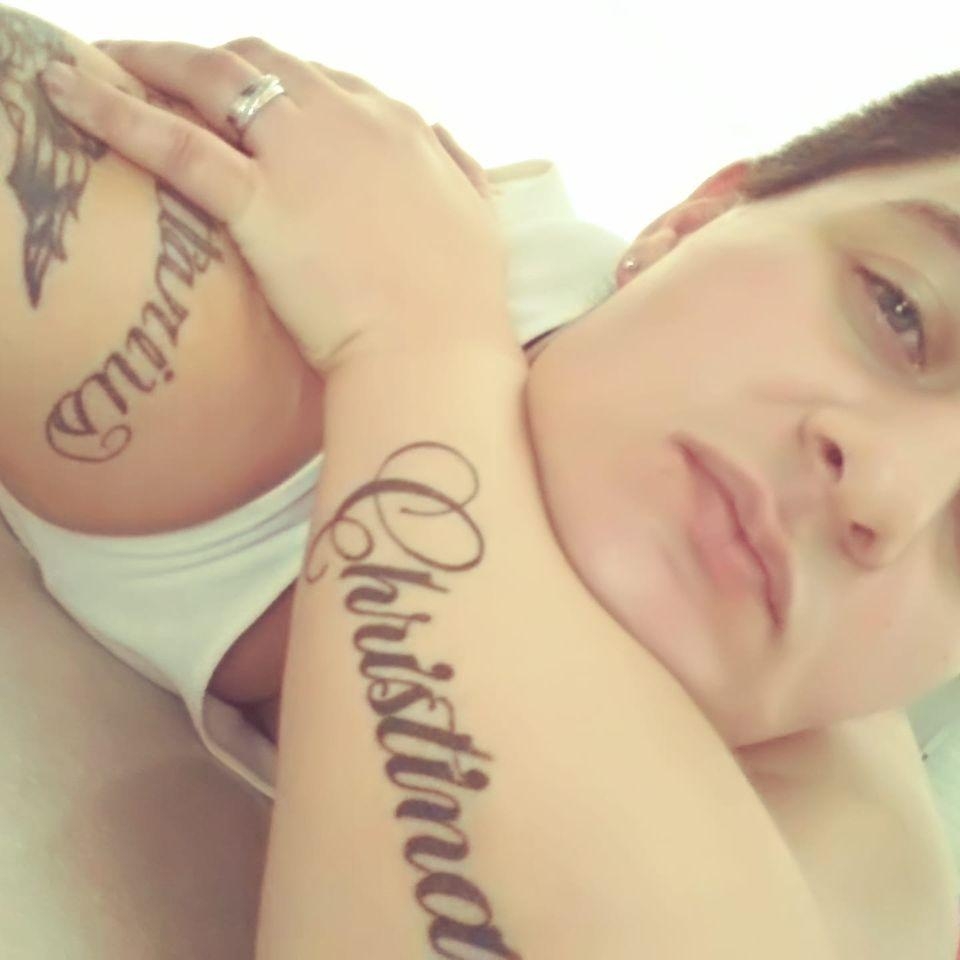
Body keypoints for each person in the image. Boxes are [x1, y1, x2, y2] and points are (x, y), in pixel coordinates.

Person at [1, 7, 959, 954]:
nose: (889, 494)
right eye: (900, 310)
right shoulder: (263, 314)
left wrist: (417, 348)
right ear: (689, 224)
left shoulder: (859, 853)